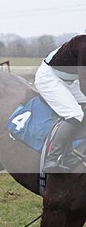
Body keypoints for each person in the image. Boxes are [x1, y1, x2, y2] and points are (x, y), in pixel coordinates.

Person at [35, 34, 86, 172]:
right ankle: (52, 159)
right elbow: (84, 86)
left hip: (68, 80)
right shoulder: (83, 46)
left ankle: (68, 154)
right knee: (74, 115)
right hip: (50, 78)